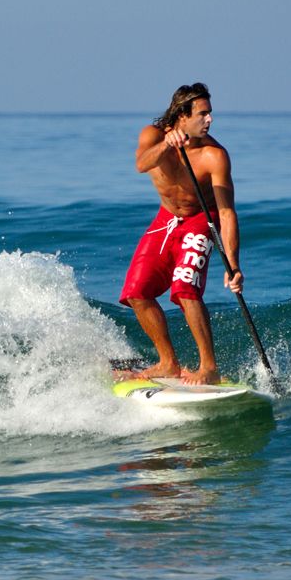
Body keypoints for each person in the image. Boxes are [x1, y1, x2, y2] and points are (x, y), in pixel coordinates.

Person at [119, 83, 244, 385]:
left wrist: (234, 264)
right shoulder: (153, 136)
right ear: (182, 115)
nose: (209, 120)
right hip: (166, 219)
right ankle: (167, 363)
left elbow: (226, 213)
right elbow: (140, 164)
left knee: (185, 288)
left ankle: (209, 367)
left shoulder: (214, 155)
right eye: (203, 114)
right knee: (137, 292)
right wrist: (167, 145)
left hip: (202, 218)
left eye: (210, 114)